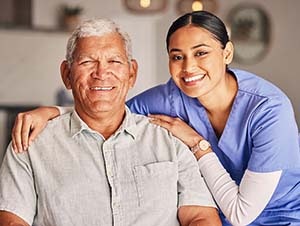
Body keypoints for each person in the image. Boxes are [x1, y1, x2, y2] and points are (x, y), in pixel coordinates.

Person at [10, 11, 300, 226]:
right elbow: (105, 108)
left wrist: (198, 146)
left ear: (227, 53)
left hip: (277, 219)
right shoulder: (170, 98)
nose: (189, 68)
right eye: (177, 56)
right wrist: (55, 114)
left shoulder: (269, 110)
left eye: (201, 53)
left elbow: (241, 214)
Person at [0, 18, 221, 226]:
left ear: (131, 73)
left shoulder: (170, 139)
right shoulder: (30, 143)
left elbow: (201, 216)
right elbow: (11, 218)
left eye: (114, 61)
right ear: (67, 74)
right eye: (87, 62)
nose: (101, 73)